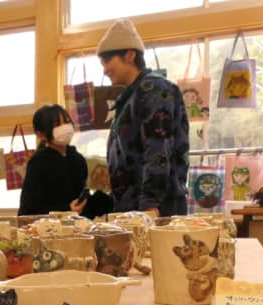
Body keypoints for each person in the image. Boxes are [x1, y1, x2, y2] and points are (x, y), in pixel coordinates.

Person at [96, 18, 190, 216]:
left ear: (130, 55)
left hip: (154, 207)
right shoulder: (130, 96)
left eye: (108, 61)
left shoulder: (154, 89)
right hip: (134, 206)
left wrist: (150, 204)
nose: (105, 70)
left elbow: (158, 148)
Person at [18, 104, 88, 216]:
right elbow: (29, 210)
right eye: (57, 125)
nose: (65, 128)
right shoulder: (38, 163)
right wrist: (66, 210)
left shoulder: (77, 159)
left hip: (80, 224)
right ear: (41, 135)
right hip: (49, 226)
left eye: (67, 122)